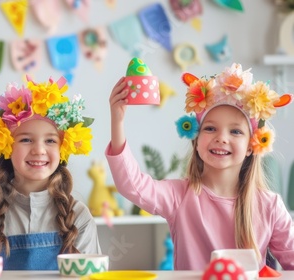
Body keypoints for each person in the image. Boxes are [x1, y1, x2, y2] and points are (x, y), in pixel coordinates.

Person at [106, 62, 294, 270]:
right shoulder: (179, 196)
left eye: (236, 132)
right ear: (196, 140)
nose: (221, 138)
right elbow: (132, 185)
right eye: (211, 128)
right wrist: (117, 120)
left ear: (252, 145)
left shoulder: (270, 206)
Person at [0, 76, 101, 270]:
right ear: (6, 146)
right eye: (26, 140)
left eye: (50, 141)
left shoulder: (78, 217)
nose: (39, 150)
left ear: (63, 148)